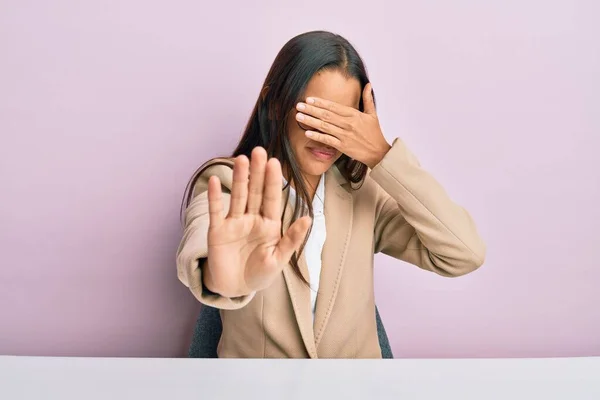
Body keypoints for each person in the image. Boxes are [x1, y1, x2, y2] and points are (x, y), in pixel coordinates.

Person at [176, 30, 486, 358]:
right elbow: (201, 251)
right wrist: (227, 280)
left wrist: (382, 155)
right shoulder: (227, 182)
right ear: (275, 105)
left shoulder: (364, 194)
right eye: (316, 116)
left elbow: (464, 252)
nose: (327, 138)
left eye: (342, 123)